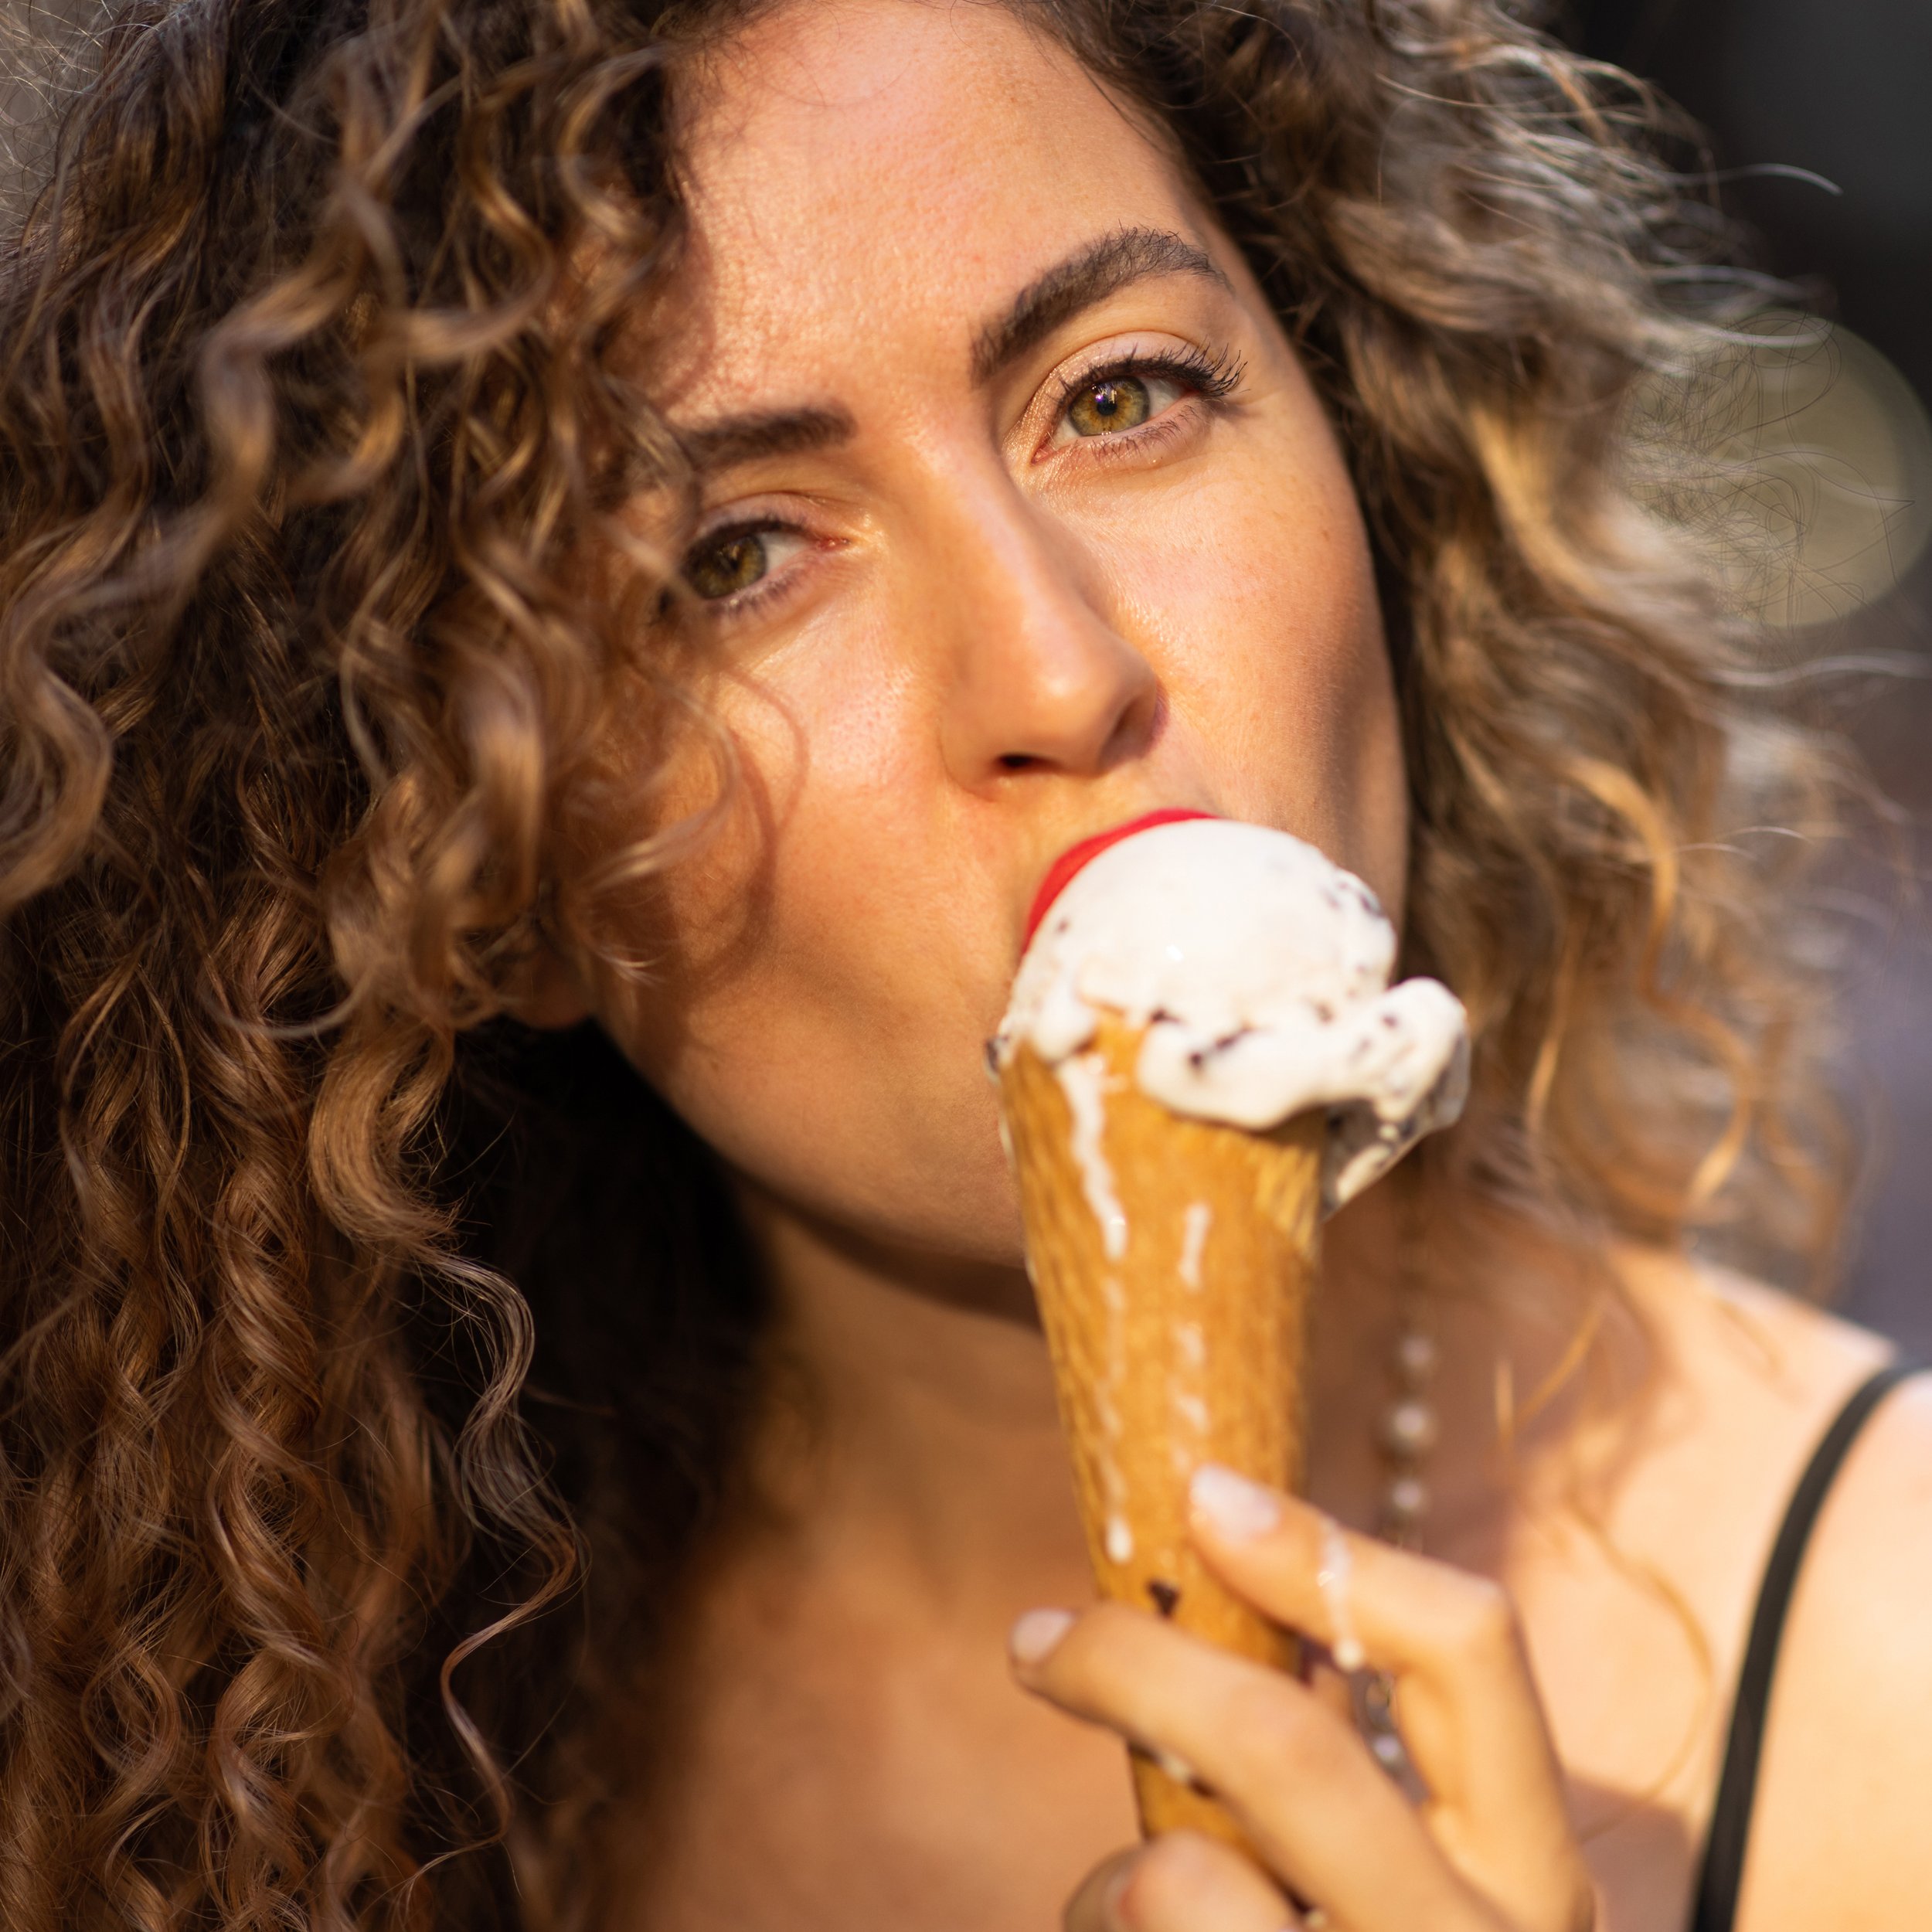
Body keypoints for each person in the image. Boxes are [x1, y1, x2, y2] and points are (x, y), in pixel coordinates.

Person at [1, 1, 1927, 1928]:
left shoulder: (1879, 1652)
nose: (1062, 673)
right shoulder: (254, 1733)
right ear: (477, 875)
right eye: (733, 557)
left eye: (1116, 396)